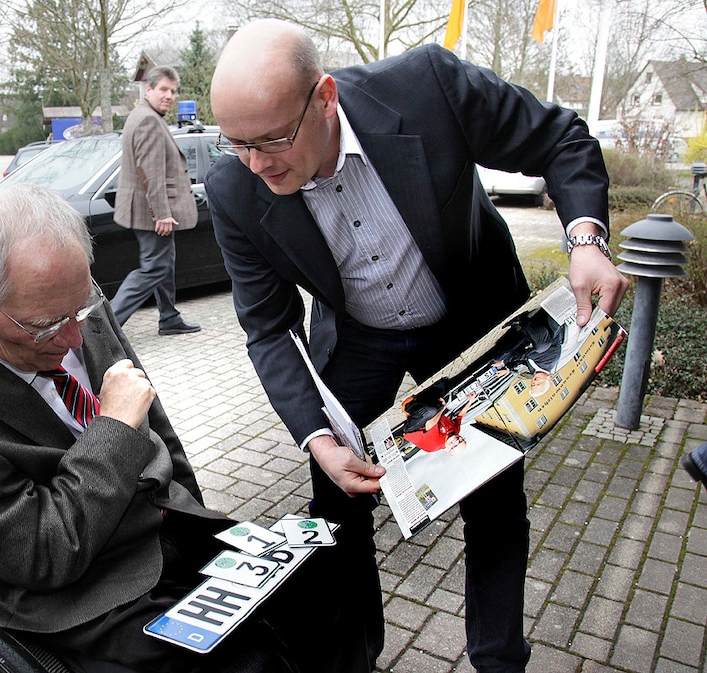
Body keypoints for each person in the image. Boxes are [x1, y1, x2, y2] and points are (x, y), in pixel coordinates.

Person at [205, 19, 629, 673]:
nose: (259, 166)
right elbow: (267, 327)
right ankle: (355, 657)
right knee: (335, 496)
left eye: (272, 141)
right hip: (359, 337)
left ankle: (498, 658)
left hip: (465, 316)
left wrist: (585, 242)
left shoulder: (426, 88)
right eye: (238, 145)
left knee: (492, 493)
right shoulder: (235, 190)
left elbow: (560, 138)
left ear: (325, 98)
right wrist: (316, 437)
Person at [0, 183, 367, 673]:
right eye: (47, 326)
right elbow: (45, 555)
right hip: (76, 594)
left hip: (158, 529)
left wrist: (196, 512)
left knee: (323, 581)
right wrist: (112, 426)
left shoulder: (68, 302)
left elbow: (156, 424)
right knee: (247, 659)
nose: (74, 336)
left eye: (81, 309)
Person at [109, 66, 201, 336]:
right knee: (153, 269)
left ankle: (169, 317)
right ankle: (107, 328)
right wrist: (161, 213)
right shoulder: (149, 120)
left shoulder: (143, 115)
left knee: (164, 263)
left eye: (173, 91)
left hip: (145, 210)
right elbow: (151, 173)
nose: (169, 95)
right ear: (148, 90)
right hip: (153, 213)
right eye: (163, 89)